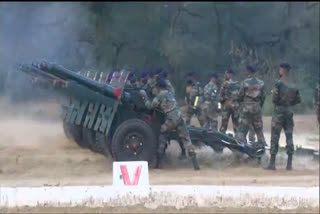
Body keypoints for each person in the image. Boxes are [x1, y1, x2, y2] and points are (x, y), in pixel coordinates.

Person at [141, 78, 200, 170]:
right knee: (187, 140)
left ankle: (158, 164)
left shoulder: (160, 95)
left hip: (171, 120)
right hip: (180, 118)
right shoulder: (170, 93)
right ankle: (196, 164)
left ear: (158, 87)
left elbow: (150, 106)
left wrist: (144, 97)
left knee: (162, 136)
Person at [266, 63, 301, 170]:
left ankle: (272, 163)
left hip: (279, 111)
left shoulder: (278, 83)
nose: (279, 70)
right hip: (289, 112)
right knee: (289, 136)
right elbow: (298, 100)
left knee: (275, 137)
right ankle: (289, 164)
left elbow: (274, 99)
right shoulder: (294, 85)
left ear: (284, 70)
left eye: (280, 69)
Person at [235, 65, 266, 153]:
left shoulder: (245, 83)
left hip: (246, 108)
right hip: (257, 107)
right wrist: (259, 106)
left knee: (242, 130)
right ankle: (262, 149)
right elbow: (263, 97)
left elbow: (240, 96)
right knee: (259, 129)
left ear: (248, 72)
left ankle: (241, 150)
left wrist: (242, 103)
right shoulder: (261, 83)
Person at [219, 69, 241, 134]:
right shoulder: (237, 84)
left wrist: (220, 107)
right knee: (236, 124)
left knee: (224, 124)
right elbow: (240, 96)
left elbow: (220, 97)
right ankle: (238, 140)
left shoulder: (224, 84)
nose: (225, 75)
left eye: (227, 74)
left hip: (226, 106)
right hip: (235, 106)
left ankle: (221, 137)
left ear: (230, 75)